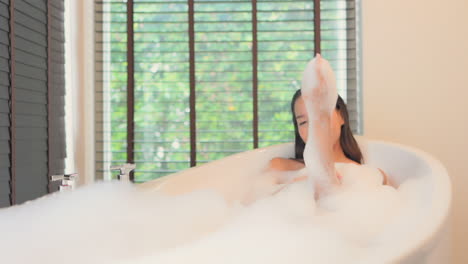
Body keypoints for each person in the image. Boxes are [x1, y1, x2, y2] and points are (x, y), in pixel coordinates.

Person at [268, 89, 392, 187]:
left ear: (342, 116)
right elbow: (261, 205)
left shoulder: (368, 177)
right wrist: (297, 185)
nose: (314, 127)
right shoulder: (279, 168)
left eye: (322, 115)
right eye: (304, 122)